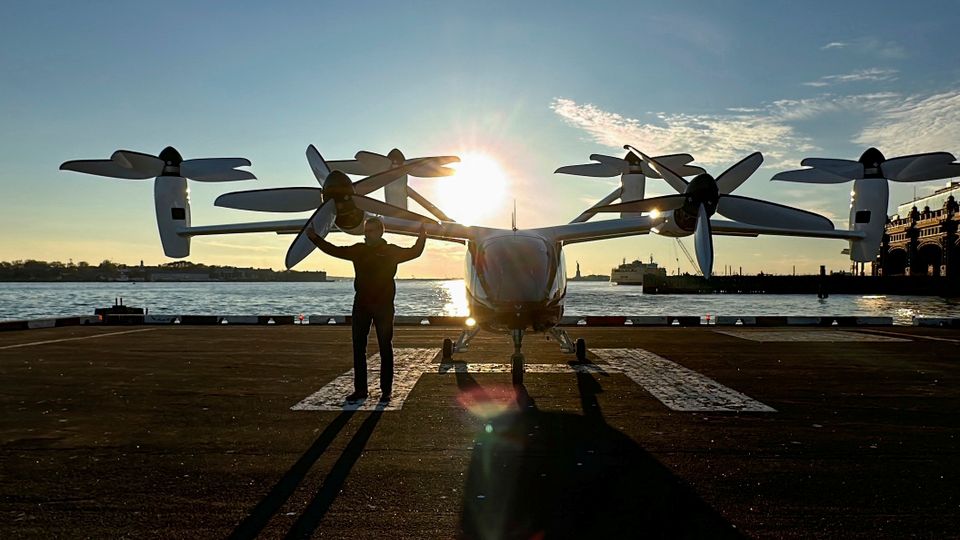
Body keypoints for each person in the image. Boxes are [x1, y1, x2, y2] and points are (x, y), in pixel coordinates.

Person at [307, 217, 426, 403]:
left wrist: (422, 234)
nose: (367, 234)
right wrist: (315, 238)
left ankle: (386, 390)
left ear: (380, 232)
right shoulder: (358, 250)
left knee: (385, 346)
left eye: (371, 231)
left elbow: (415, 252)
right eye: (366, 231)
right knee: (358, 347)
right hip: (361, 304)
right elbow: (334, 250)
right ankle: (360, 390)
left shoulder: (391, 251)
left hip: (384, 305)